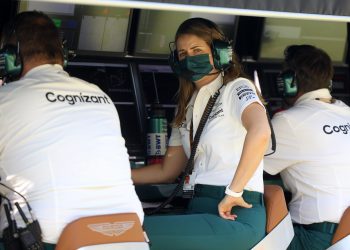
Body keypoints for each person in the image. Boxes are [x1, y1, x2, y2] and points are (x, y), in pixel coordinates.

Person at [0, 11, 144, 248]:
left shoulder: (6, 99)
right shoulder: (100, 94)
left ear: (10, 55)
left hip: (49, 238)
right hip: (130, 234)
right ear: (63, 53)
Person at [132, 17, 271, 250]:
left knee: (125, 236)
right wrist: (113, 176)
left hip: (234, 211)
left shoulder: (237, 87)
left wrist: (234, 191)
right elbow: (167, 171)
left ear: (219, 53)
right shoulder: (186, 107)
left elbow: (261, 131)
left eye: (197, 50)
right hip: (198, 207)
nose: (190, 58)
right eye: (183, 54)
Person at [264, 44, 350, 250]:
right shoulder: (346, 111)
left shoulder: (288, 121)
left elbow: (245, 168)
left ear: (289, 81)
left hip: (316, 238)